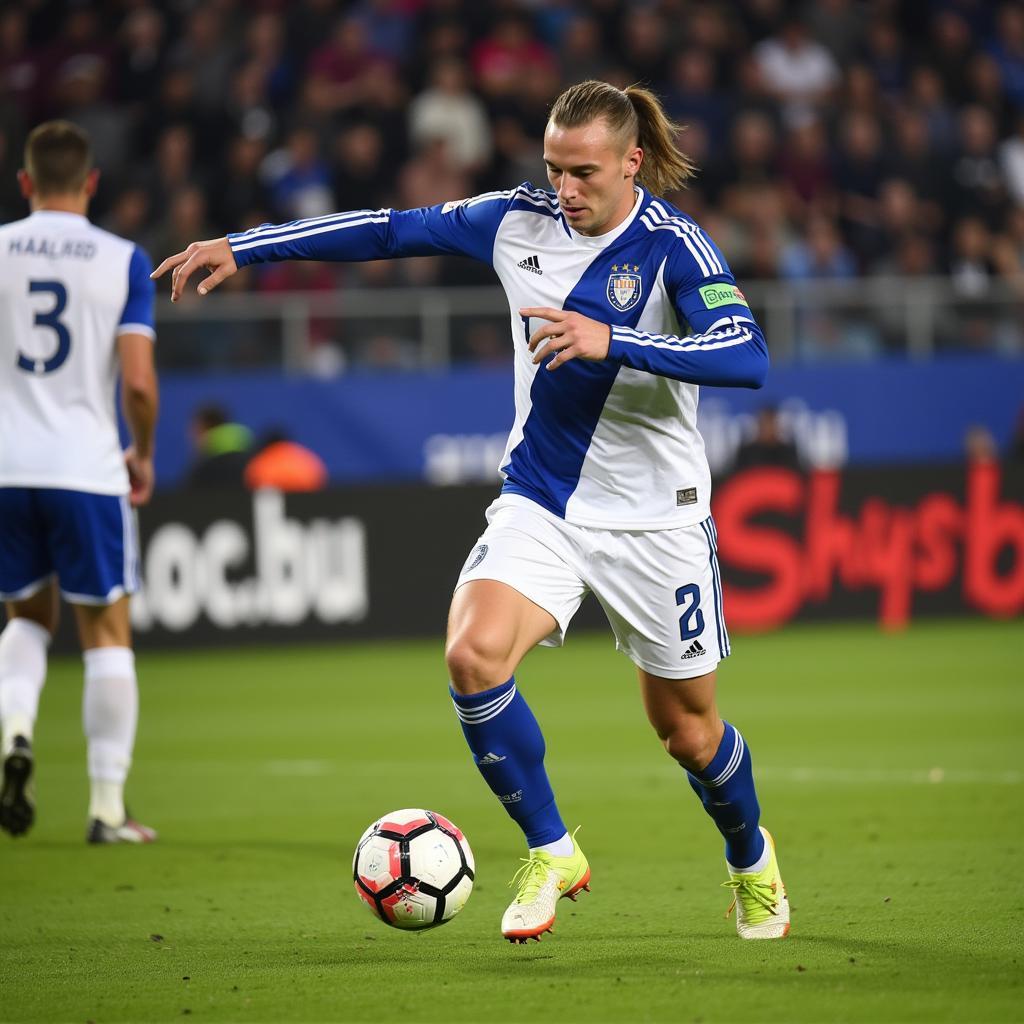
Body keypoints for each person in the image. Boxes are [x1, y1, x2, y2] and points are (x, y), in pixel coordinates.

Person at [154, 80, 788, 942]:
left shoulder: (676, 247)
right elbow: (386, 229)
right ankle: (552, 848)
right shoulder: (513, 219)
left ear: (632, 161)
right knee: (472, 655)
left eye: (585, 172)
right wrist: (245, 245)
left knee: (688, 732)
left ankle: (751, 859)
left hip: (658, 522)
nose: (565, 189)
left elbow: (746, 356)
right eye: (554, 168)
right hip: (544, 501)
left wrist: (614, 339)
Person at [0, 121, 159, 845]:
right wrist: (143, 452)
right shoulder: (121, 259)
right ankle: (104, 808)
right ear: (91, 183)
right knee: (106, 631)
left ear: (26, 183)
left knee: (27, 618)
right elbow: (139, 384)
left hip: (7, 467)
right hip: (86, 467)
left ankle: (17, 729)